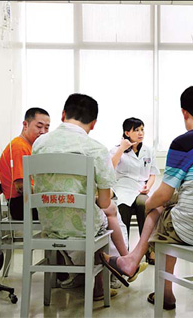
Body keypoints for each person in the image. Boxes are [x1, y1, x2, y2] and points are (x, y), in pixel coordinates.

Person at [100, 84, 193, 310]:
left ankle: (160, 287)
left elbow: (162, 195)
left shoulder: (184, 142)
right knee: (174, 206)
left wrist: (149, 205)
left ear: (185, 113)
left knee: (160, 209)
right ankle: (133, 261)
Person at [32, 93, 147, 300]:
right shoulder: (95, 149)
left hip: (48, 222)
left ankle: (111, 269)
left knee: (103, 213)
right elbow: (103, 202)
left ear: (63, 114)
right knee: (109, 211)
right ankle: (118, 267)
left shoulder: (39, 144)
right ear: (93, 124)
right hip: (81, 225)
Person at [110, 117, 159, 264]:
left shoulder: (148, 150)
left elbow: (152, 174)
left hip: (141, 189)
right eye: (136, 130)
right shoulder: (116, 149)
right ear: (126, 132)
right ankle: (123, 252)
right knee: (122, 208)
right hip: (123, 188)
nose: (140, 133)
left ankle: (149, 250)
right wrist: (121, 149)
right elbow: (109, 168)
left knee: (145, 205)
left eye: (142, 129)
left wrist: (148, 186)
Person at [0, 107, 50, 220]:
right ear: (25, 125)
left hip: (28, 202)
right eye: (39, 126)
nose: (43, 132)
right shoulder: (19, 147)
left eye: (47, 128)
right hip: (21, 206)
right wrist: (49, 191)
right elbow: (21, 187)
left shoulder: (30, 147)